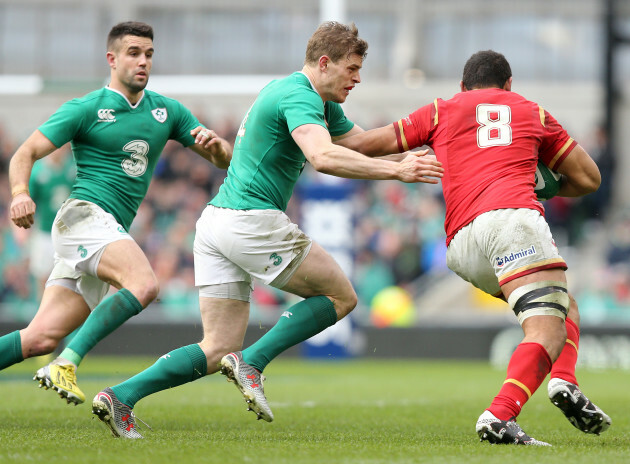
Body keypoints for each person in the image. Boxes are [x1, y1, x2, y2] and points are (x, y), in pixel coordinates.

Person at [91, 21, 444, 439]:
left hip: (216, 224)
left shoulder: (317, 101)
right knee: (340, 295)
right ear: (325, 63)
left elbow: (363, 143)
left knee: (218, 347)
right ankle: (254, 362)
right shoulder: (298, 94)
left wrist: (430, 130)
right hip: (250, 220)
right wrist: (398, 172)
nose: (358, 78)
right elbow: (324, 157)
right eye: (351, 68)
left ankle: (121, 396)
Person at [338, 50, 611, 446]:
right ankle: (500, 414)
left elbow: (366, 144)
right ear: (509, 85)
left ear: (462, 87)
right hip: (513, 220)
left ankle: (565, 381)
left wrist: (317, 129)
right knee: (545, 329)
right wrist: (546, 183)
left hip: (462, 244)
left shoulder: (440, 110)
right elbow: (589, 178)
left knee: (563, 305)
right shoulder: (530, 110)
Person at [2, 21, 231, 406]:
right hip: (83, 217)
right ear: (112, 59)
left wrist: (218, 146)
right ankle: (68, 362)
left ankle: (58, 356)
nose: (143, 62)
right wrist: (20, 193)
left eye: (149, 55)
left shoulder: (167, 111)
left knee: (39, 337)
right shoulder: (86, 108)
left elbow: (220, 158)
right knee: (144, 285)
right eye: (134, 53)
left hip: (105, 229)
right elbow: (25, 153)